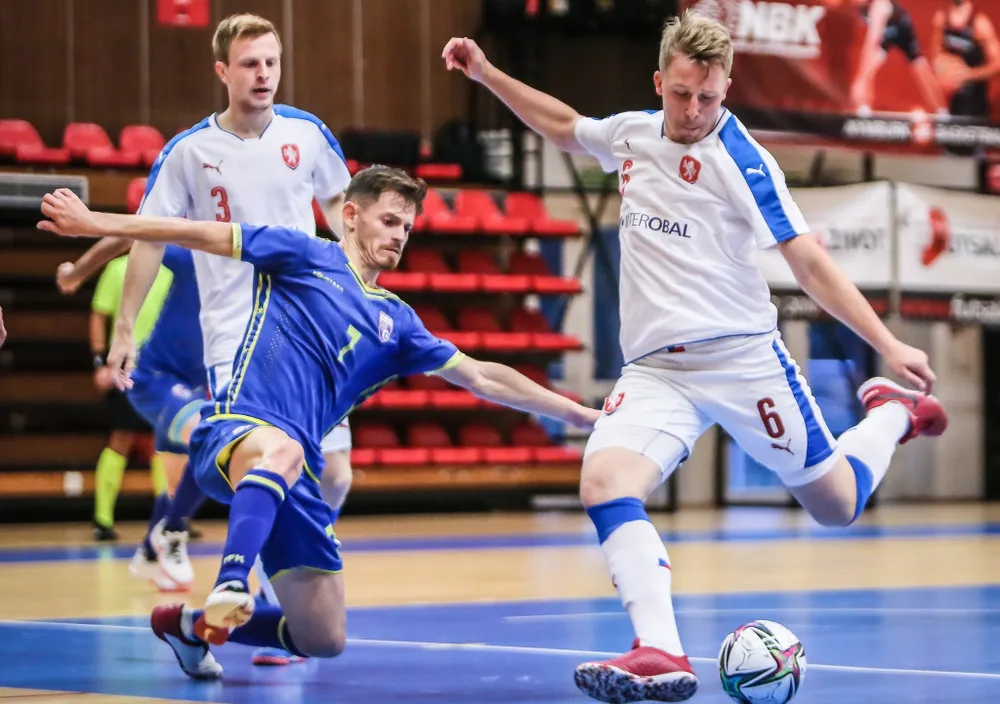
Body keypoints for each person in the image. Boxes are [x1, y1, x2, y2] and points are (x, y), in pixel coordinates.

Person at [443, 12, 947, 703]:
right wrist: (487, 74)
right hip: (656, 371)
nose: (692, 111)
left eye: (708, 98)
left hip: (743, 363)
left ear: (727, 90)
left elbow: (808, 263)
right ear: (660, 82)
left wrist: (887, 345)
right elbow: (564, 126)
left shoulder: (744, 164)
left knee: (836, 506)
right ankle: (660, 650)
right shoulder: (632, 135)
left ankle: (889, 413)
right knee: (603, 483)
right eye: (681, 94)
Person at [37, 167, 602, 681]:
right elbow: (196, 231)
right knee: (282, 448)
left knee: (322, 637)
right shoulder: (304, 253)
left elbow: (482, 376)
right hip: (236, 428)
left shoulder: (399, 323)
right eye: (389, 220)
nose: (400, 235)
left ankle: (186, 626)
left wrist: (574, 411)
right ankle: (233, 580)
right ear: (350, 217)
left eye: (408, 226)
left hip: (291, 469)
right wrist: (94, 223)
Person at [105, 12, 355, 666]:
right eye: (249, 63)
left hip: (311, 339)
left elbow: (346, 218)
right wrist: (125, 325)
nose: (263, 73)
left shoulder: (309, 136)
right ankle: (225, 580)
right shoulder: (192, 151)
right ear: (223, 71)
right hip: (236, 344)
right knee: (266, 462)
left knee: (334, 472)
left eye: (271, 61)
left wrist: (354, 300)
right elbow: (149, 234)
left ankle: (248, 609)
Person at [58, 238, 206, 590]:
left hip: (195, 384)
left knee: (178, 474)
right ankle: (168, 530)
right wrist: (77, 271)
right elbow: (132, 233)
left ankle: (149, 552)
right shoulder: (194, 253)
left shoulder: (256, 264)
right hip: (149, 374)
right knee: (206, 437)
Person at [88, 251, 172, 541]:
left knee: (163, 440)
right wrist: (100, 362)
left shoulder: (173, 270)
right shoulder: (117, 268)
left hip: (163, 365)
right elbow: (99, 315)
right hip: (125, 362)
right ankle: (103, 519)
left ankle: (171, 519)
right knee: (122, 437)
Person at [825, 0, 949, 117]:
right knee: (866, 73)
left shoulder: (880, 6)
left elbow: (872, 42)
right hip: (885, 32)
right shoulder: (856, 4)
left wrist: (860, 79)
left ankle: (942, 111)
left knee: (920, 68)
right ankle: (864, 108)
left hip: (901, 29)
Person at [931, 0, 1000, 120]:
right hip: (951, 104)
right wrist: (944, 69)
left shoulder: (979, 23)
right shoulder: (942, 19)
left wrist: (968, 74)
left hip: (975, 106)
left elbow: (998, 64)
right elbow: (936, 56)